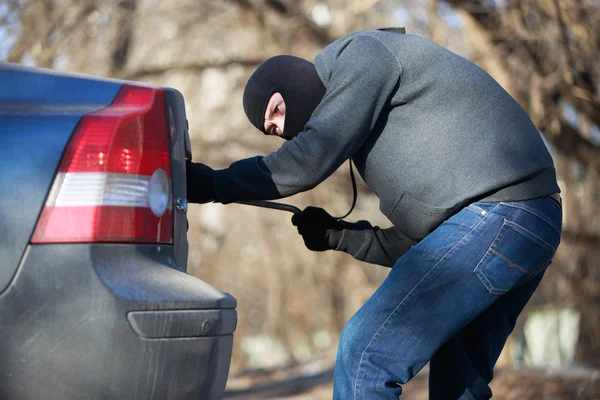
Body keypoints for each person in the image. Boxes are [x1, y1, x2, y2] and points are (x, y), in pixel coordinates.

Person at [186, 28, 562, 399]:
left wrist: (214, 185)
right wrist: (342, 236)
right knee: (456, 385)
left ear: (297, 80)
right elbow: (430, 249)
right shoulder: (407, 145)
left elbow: (308, 159)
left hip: (504, 211)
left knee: (367, 352)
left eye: (278, 110)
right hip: (527, 225)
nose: (282, 129)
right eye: (273, 130)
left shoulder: (364, 55)